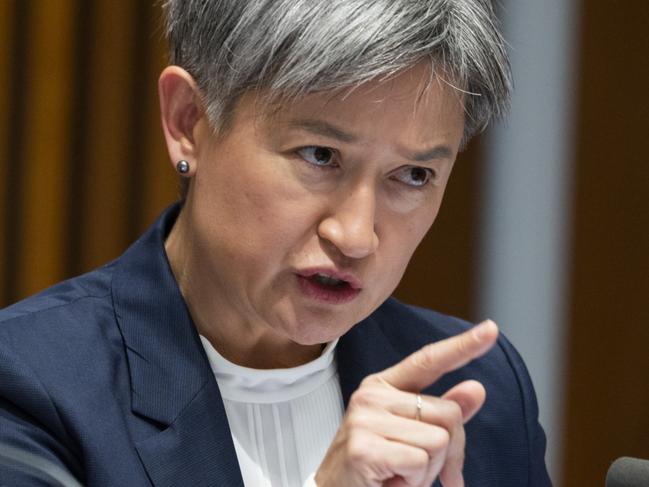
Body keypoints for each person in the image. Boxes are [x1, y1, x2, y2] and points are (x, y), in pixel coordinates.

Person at [0, 0, 552, 486]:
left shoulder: (478, 393)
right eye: (319, 155)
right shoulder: (31, 386)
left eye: (412, 176)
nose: (356, 236)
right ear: (189, 120)